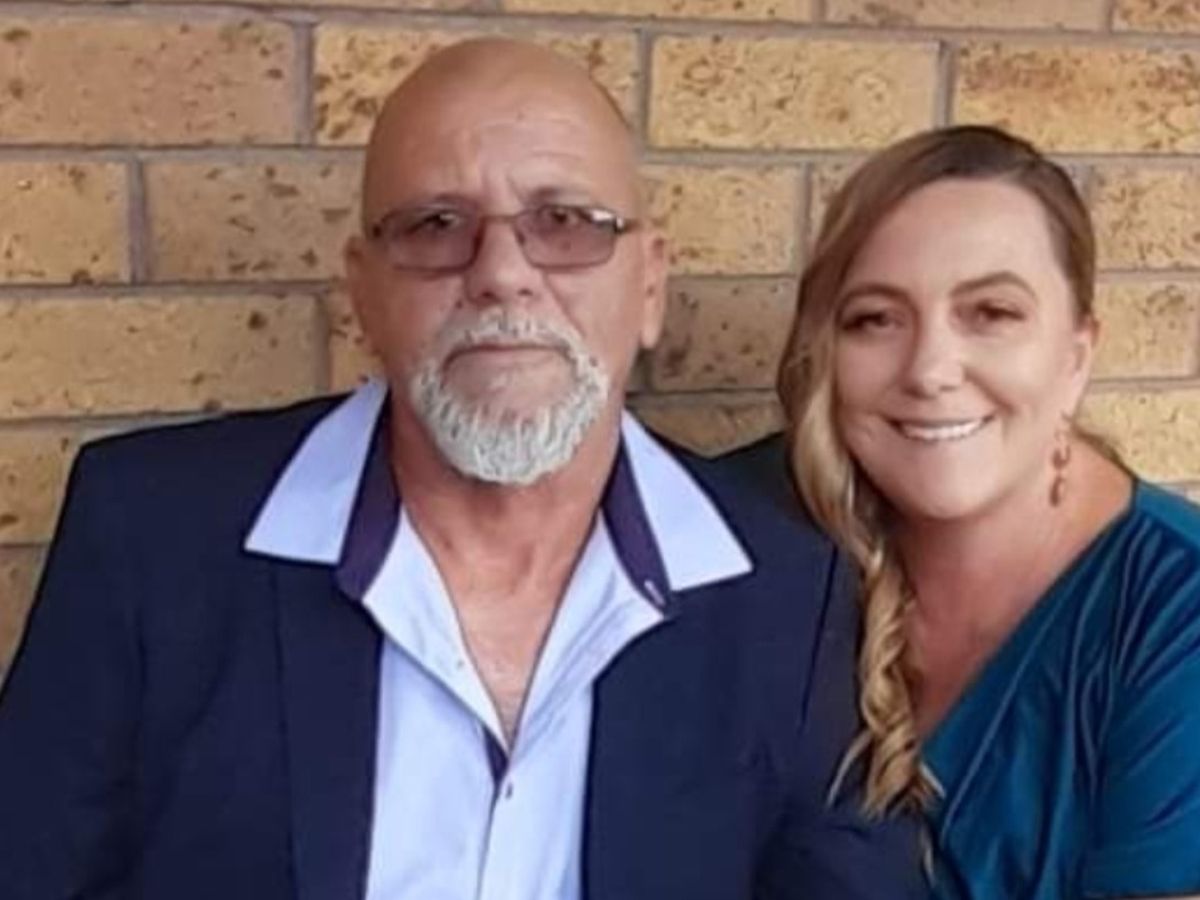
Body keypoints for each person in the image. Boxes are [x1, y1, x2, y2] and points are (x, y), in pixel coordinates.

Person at [0, 39, 925, 900]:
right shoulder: (152, 538)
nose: (502, 274)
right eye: (437, 224)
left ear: (649, 285)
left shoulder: (791, 592)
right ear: (364, 292)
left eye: (564, 222)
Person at [778, 123, 1200, 899]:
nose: (930, 370)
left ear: (1076, 356)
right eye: (876, 318)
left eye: (992, 312)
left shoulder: (1176, 615)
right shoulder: (771, 559)